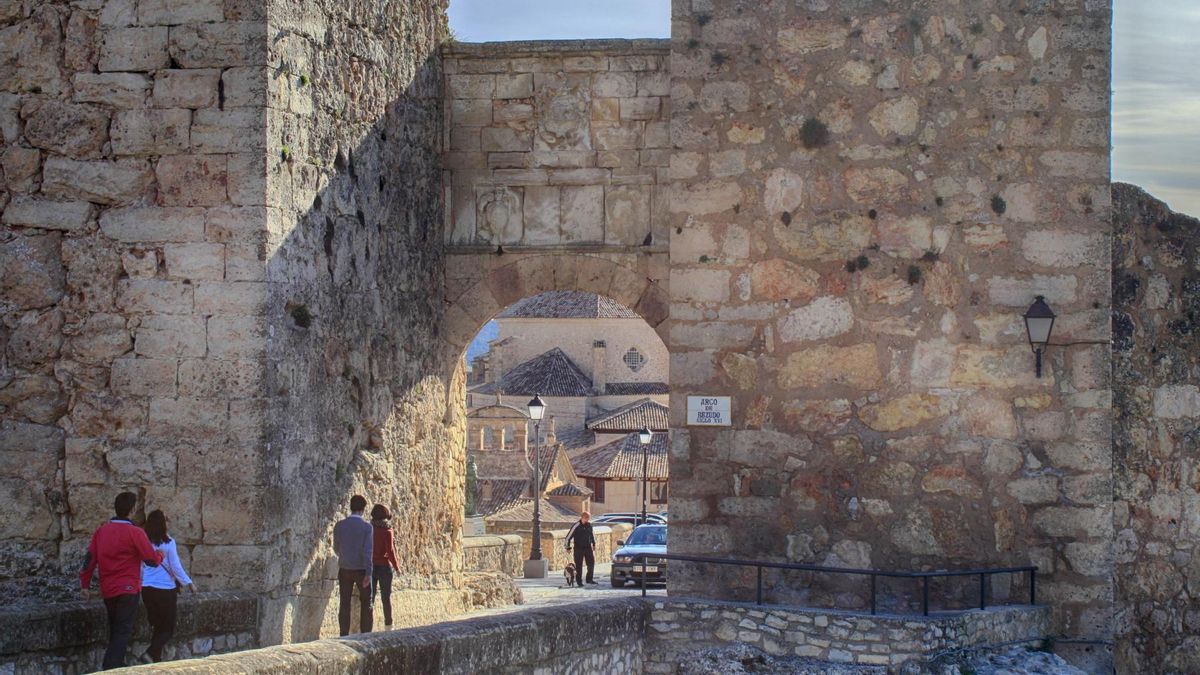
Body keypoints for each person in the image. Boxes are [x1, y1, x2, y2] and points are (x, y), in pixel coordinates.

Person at [80, 492, 164, 670]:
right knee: (122, 631)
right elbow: (151, 560)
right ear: (132, 510)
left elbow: (89, 559)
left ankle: (117, 665)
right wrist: (160, 555)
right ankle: (111, 668)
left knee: (115, 630)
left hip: (108, 590)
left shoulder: (101, 531)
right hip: (128, 588)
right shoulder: (135, 532)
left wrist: (85, 585)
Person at [139, 510, 196, 663]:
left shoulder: (143, 541)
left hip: (147, 588)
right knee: (168, 629)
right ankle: (150, 653)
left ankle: (155, 659)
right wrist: (188, 582)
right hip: (165, 590)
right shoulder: (169, 542)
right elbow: (175, 566)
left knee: (157, 625)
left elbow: (140, 566)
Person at [332, 494, 373, 636]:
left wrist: (344, 557)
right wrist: (368, 572)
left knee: (344, 603)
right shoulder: (367, 527)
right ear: (363, 509)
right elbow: (367, 551)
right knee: (366, 603)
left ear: (350, 507)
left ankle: (343, 634)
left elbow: (336, 547)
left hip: (344, 568)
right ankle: (365, 634)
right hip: (361, 569)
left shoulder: (340, 525)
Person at [370, 504, 400, 627]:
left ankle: (368, 625)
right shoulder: (387, 530)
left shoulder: (369, 529)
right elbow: (391, 551)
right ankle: (388, 624)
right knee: (386, 597)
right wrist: (397, 567)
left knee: (370, 598)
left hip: (371, 565)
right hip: (384, 566)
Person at [564, 511, 597, 587]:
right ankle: (579, 582)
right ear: (582, 517)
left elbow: (591, 535)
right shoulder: (576, 525)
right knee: (579, 565)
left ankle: (589, 579)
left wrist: (594, 544)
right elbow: (568, 537)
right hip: (578, 548)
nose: (588, 519)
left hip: (588, 547)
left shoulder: (589, 525)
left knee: (591, 563)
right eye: (587, 518)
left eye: (588, 518)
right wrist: (568, 547)